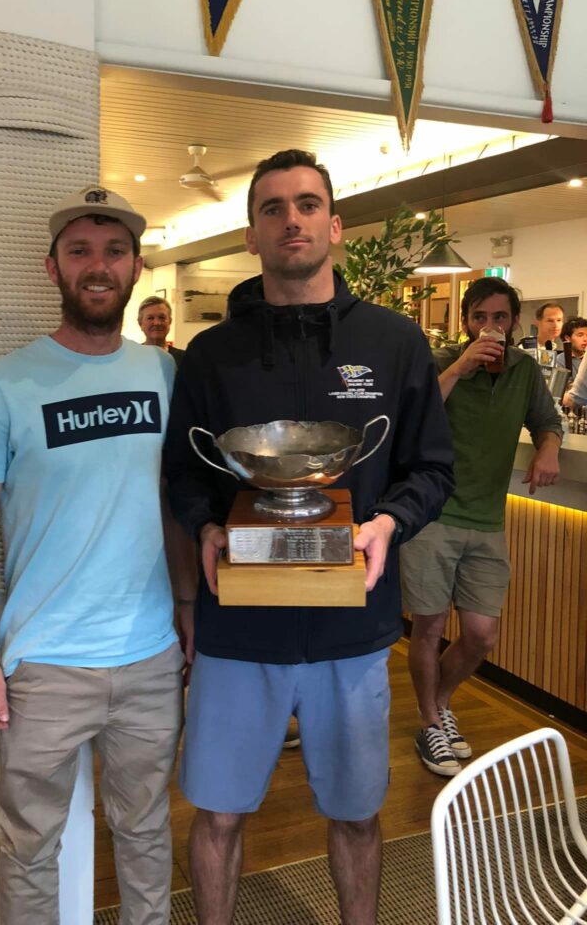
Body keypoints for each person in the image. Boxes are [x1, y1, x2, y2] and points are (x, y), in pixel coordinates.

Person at [163, 149, 454, 925]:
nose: (291, 218)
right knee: (219, 813)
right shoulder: (211, 353)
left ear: (335, 223)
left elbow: (431, 466)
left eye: (306, 203)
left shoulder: (394, 344)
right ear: (251, 234)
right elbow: (185, 474)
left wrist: (389, 523)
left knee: (357, 814)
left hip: (352, 627)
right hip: (237, 628)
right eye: (272, 208)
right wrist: (206, 528)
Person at [0, 185, 195, 925]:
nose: (99, 265)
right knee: (29, 847)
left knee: (147, 832)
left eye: (114, 251)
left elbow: (177, 508)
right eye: (81, 251)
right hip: (42, 664)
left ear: (136, 267)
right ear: (51, 268)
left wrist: (187, 613)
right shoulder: (2, 384)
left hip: (151, 656)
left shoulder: (165, 376)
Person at [401, 277, 562, 777]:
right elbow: (411, 417)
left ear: (514, 322)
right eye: (479, 318)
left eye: (499, 318)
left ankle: (440, 704)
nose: (489, 327)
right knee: (428, 627)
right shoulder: (441, 363)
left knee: (481, 634)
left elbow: (546, 419)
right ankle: (431, 722)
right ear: (466, 321)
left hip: (488, 518)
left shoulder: (525, 372)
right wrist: (459, 367)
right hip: (433, 514)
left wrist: (549, 447)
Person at [137, 294, 185, 366]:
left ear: (170, 321)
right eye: (150, 318)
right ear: (140, 323)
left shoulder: (184, 359)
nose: (157, 323)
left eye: (162, 317)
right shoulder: (130, 358)